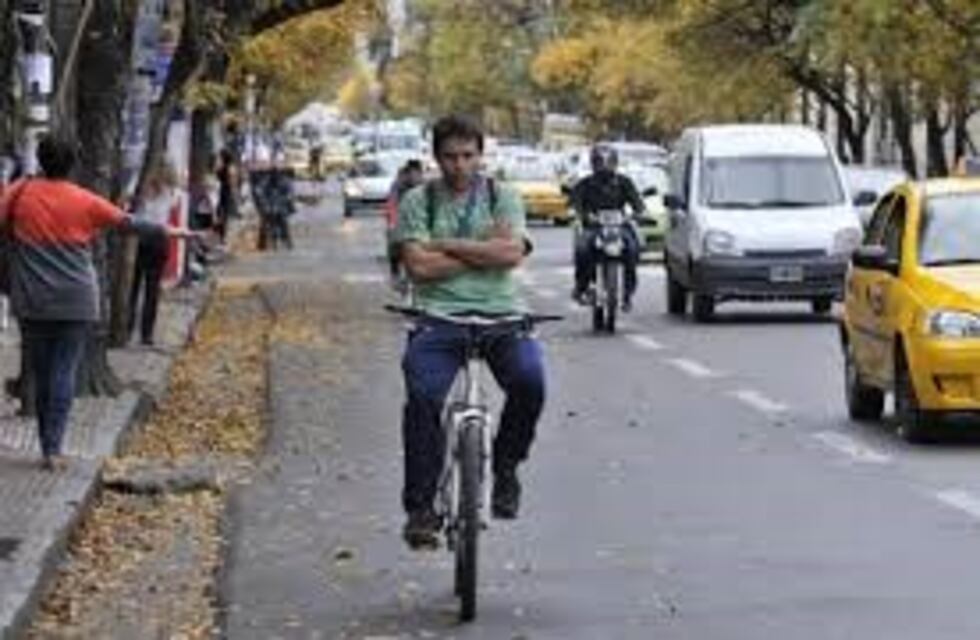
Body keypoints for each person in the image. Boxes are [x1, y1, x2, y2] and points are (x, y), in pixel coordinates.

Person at [394, 115, 546, 550]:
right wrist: (486, 252)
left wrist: (445, 245)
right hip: (437, 318)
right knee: (423, 400)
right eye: (450, 156)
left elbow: (512, 253)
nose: (460, 165)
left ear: (480, 155)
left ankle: (506, 467)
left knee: (531, 381)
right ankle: (421, 509)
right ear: (436, 157)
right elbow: (417, 266)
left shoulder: (503, 196)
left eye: (468, 155)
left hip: (502, 317)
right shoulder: (418, 202)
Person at [0, 135, 194, 471]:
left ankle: (47, 441)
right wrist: (175, 232)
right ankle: (52, 448)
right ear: (73, 164)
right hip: (76, 299)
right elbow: (130, 224)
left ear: (41, 160)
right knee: (63, 373)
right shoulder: (84, 200)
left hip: (32, 301)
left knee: (42, 372)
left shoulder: (19, 195)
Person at [569, 144, 645, 312]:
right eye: (600, 162)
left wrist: (636, 214)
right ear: (593, 163)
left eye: (609, 162)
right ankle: (581, 287)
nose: (604, 167)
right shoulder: (585, 184)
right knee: (582, 250)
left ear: (615, 163)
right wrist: (583, 214)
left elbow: (638, 203)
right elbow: (575, 203)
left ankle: (627, 295)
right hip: (593, 227)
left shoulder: (624, 182)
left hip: (620, 226)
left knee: (633, 249)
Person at [129, 160, 179, 345]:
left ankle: (127, 327)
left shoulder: (141, 186)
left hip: (141, 237)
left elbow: (130, 202)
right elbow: (172, 207)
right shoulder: (171, 191)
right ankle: (146, 334)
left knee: (133, 286)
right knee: (152, 289)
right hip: (159, 238)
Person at [385, 159, 425, 278]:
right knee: (393, 238)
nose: (415, 176)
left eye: (418, 173)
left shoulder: (425, 185)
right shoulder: (398, 184)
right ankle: (394, 270)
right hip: (400, 215)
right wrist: (392, 221)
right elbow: (392, 202)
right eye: (412, 173)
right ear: (408, 173)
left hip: (418, 216)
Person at [214, 147, 240, 243]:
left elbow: (233, 182)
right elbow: (216, 172)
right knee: (221, 212)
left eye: (220, 155)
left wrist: (234, 194)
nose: (219, 157)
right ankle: (222, 236)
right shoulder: (223, 166)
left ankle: (224, 237)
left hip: (227, 191)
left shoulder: (230, 167)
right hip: (222, 190)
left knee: (225, 213)